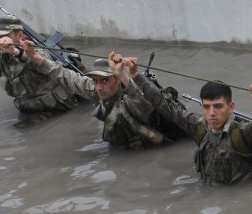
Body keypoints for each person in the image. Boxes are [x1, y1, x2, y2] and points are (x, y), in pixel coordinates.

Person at [25, 46, 189, 150]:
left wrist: (124, 75)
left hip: (153, 149)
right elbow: (67, 77)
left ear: (117, 79)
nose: (99, 87)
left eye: (105, 80)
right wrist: (36, 58)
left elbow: (143, 104)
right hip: (125, 149)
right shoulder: (98, 90)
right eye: (96, 81)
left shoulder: (134, 96)